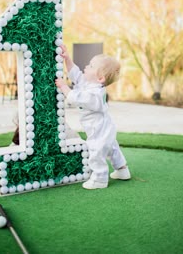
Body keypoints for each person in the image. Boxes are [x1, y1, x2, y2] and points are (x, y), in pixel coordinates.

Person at [55, 45, 131, 190]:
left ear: (100, 78)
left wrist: (64, 87)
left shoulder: (94, 94)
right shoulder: (89, 83)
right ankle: (122, 170)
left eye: (91, 66)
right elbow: (75, 74)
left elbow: (74, 97)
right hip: (105, 127)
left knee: (96, 151)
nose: (86, 66)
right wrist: (67, 59)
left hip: (98, 131)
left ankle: (99, 179)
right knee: (112, 148)